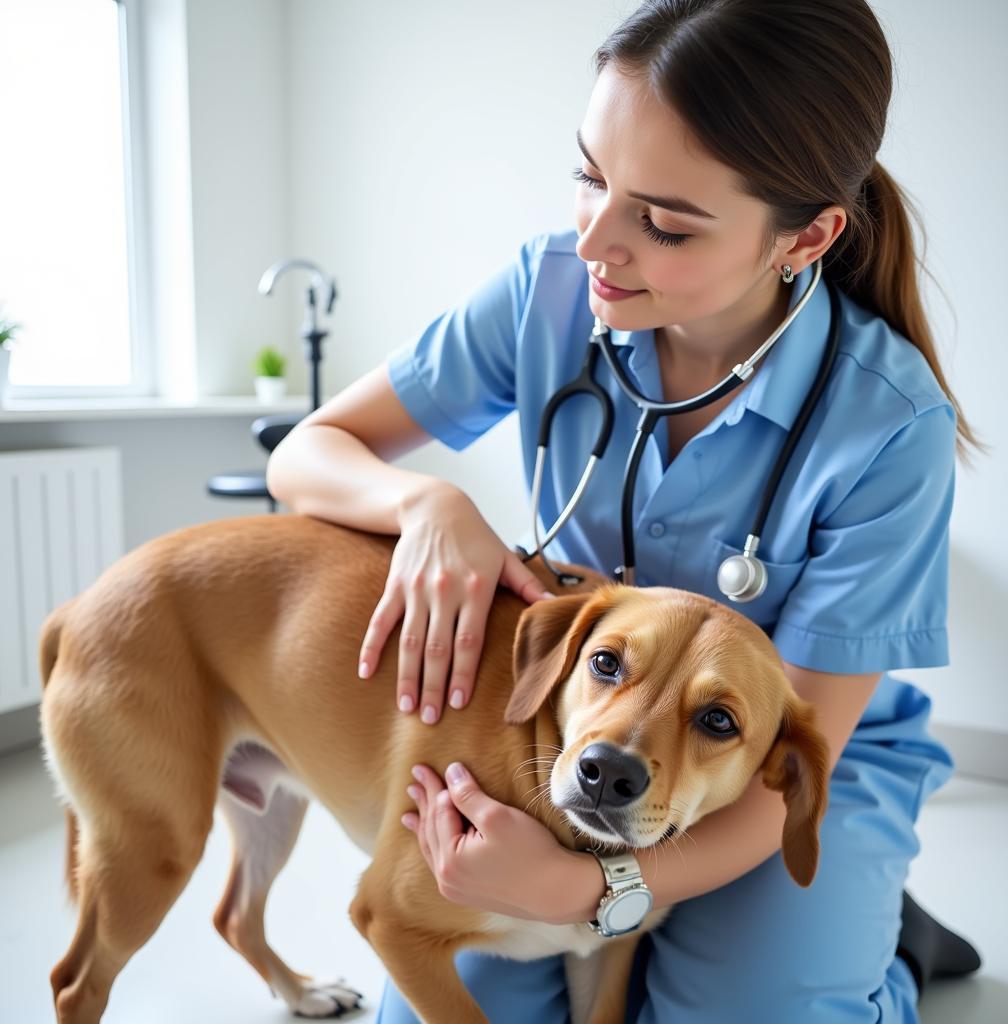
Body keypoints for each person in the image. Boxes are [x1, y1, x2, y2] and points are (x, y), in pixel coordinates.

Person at [266, 1, 986, 1020]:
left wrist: (589, 889)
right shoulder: (544, 293)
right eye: (589, 175)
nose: (595, 240)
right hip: (571, 729)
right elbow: (307, 453)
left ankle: (881, 948)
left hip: (782, 754)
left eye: (663, 219)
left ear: (808, 234)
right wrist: (424, 501)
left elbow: (798, 742)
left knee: (747, 1011)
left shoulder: (887, 423)